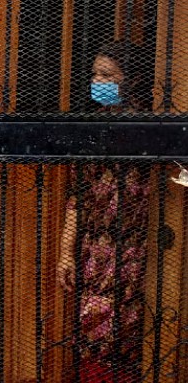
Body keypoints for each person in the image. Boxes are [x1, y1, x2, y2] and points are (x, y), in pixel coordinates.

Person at [57, 41, 164, 382]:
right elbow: (77, 196)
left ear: (127, 80)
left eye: (107, 75)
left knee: (127, 334)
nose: (97, 82)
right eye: (94, 74)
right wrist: (65, 252)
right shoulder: (92, 129)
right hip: (94, 251)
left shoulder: (147, 128)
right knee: (92, 332)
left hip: (133, 252)